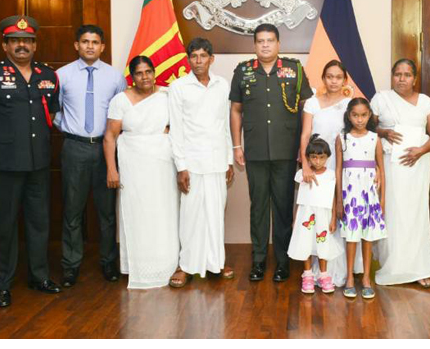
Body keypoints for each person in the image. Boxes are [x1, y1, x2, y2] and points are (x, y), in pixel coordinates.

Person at [0, 15, 62, 307]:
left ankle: (39, 276)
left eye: (28, 41)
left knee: (39, 222)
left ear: (35, 44)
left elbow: (52, 115)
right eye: (16, 40)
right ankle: (2, 284)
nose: (22, 45)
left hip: (39, 163)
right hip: (2, 164)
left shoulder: (48, 75)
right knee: (4, 225)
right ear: (5, 44)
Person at [230, 23, 313, 282]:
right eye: (260, 41)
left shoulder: (295, 70)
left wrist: (303, 149)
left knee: (282, 207)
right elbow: (236, 110)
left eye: (270, 40)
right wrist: (236, 145)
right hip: (254, 151)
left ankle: (282, 262)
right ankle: (258, 261)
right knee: (259, 208)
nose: (265, 45)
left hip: (286, 150)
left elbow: (305, 109)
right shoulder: (243, 72)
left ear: (278, 44)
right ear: (254, 45)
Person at [55, 25, 127, 288]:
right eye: (85, 42)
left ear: (102, 47)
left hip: (106, 149)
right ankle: (70, 265)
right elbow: (53, 108)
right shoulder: (61, 75)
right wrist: (66, 127)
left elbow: (122, 112)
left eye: (95, 42)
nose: (89, 46)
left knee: (107, 211)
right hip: (74, 148)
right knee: (72, 210)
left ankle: (108, 262)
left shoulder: (115, 77)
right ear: (76, 45)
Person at [103, 56, 179, 289]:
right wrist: (111, 169)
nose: (145, 77)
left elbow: (184, 125)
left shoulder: (167, 96)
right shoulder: (120, 100)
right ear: (132, 76)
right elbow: (109, 137)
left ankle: (168, 264)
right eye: (139, 73)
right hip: (133, 165)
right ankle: (138, 266)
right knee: (138, 212)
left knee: (164, 212)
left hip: (163, 164)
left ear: (154, 73)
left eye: (148, 72)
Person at [168, 38, 235, 287]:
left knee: (215, 215)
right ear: (188, 59)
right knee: (191, 216)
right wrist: (181, 166)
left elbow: (225, 124)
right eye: (194, 56)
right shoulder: (179, 87)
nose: (198, 61)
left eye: (203, 56)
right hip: (192, 162)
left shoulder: (222, 85)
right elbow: (176, 129)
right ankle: (186, 266)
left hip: (218, 160)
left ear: (211, 58)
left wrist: (229, 160)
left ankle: (216, 262)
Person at [372, 59, 430, 287]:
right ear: (392, 76)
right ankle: (391, 266)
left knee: (415, 214)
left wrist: (420, 151)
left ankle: (419, 268)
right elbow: (365, 127)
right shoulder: (381, 99)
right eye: (397, 74)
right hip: (389, 166)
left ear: (415, 78)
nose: (402, 79)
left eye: (407, 75)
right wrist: (383, 131)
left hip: (417, 166)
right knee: (392, 213)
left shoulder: (425, 102)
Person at [298, 60, 362, 286]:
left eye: (338, 77)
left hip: (343, 163)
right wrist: (305, 164)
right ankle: (318, 270)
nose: (333, 81)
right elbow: (306, 135)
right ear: (323, 79)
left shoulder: (349, 105)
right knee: (318, 214)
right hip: (317, 164)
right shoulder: (312, 103)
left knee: (339, 210)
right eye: (329, 76)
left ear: (345, 80)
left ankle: (341, 269)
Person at [336, 98, 386, 299]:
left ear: (369, 116)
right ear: (349, 115)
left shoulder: (375, 138)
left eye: (364, 115)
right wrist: (339, 199)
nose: (359, 119)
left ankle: (366, 278)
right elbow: (339, 169)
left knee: (368, 236)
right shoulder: (342, 138)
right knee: (351, 237)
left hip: (369, 194)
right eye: (355, 115)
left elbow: (382, 170)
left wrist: (382, 201)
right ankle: (349, 277)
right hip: (350, 194)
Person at [288, 135, 343, 294]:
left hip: (323, 216)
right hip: (306, 216)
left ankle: (323, 275)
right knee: (305, 243)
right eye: (313, 157)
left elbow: (332, 198)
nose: (317, 161)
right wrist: (295, 218)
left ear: (327, 157)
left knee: (322, 243)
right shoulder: (303, 175)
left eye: (321, 157)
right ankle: (307, 275)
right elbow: (300, 199)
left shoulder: (331, 174)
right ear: (308, 158)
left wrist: (333, 218)